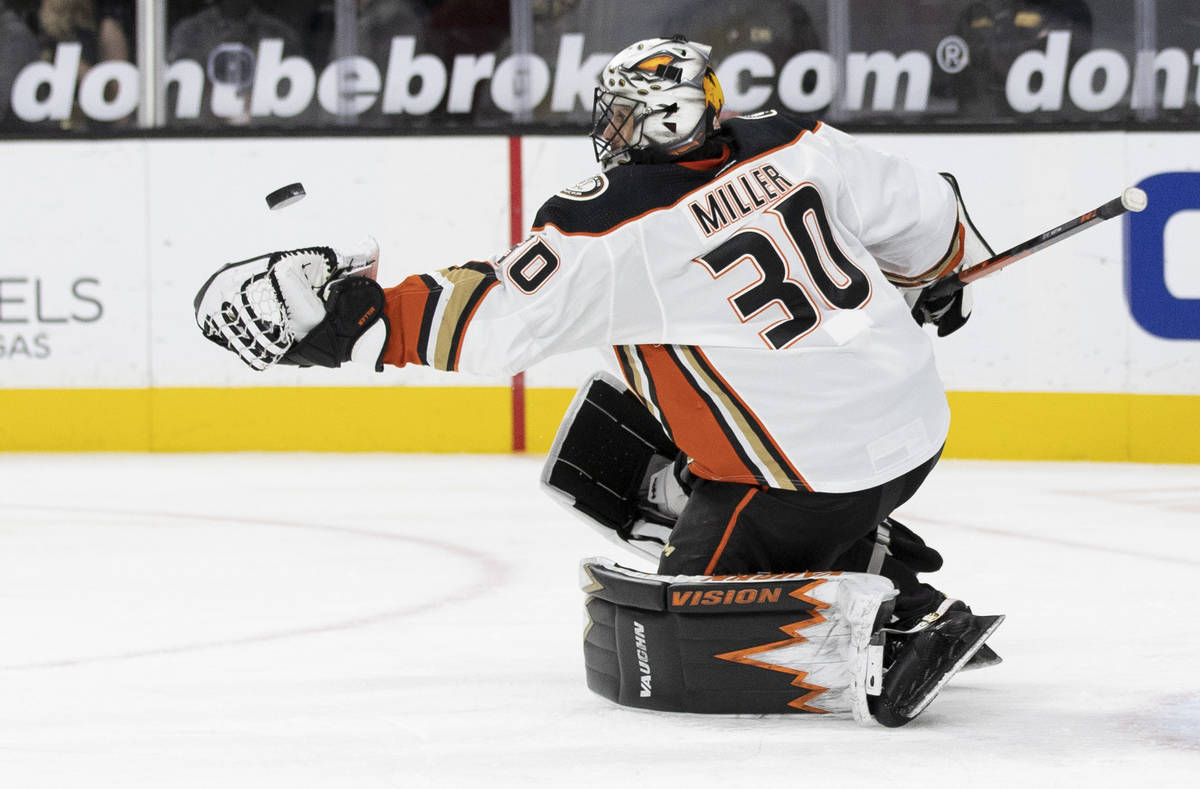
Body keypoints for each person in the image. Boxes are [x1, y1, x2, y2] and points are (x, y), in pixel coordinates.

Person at [195, 35, 1003, 726]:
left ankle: (892, 620)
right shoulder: (796, 140)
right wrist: (941, 273)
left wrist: (351, 321)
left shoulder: (619, 225)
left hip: (810, 475)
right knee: (613, 438)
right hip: (917, 422)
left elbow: (493, 320)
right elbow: (930, 218)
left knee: (677, 625)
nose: (609, 132)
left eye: (622, 115)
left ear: (666, 117)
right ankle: (862, 544)